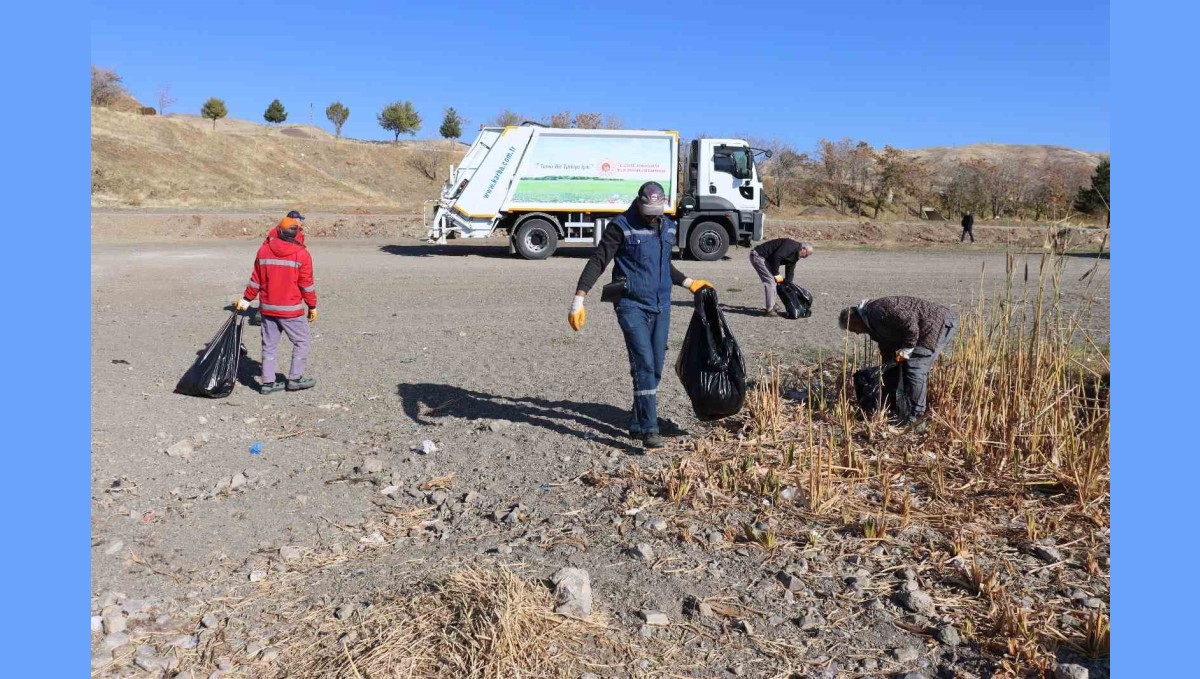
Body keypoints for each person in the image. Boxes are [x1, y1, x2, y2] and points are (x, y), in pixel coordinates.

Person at [568, 181, 713, 450]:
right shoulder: (621, 226)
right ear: (638, 202)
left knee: (655, 366)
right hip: (630, 304)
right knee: (644, 364)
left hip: (661, 305)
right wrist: (579, 299)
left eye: (656, 211)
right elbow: (598, 260)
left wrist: (689, 282)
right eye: (647, 211)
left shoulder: (667, 226)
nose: (651, 216)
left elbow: (662, 264)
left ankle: (637, 422)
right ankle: (649, 428)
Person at [838, 296, 957, 425]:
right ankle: (896, 408)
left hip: (937, 323)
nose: (857, 333)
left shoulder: (877, 310)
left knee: (914, 368)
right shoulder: (871, 324)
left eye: (854, 329)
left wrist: (907, 349)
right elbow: (886, 345)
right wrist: (889, 364)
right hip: (923, 328)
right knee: (896, 369)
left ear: (856, 320)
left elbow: (910, 326)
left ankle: (916, 417)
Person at [234, 212, 319, 393]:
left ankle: (267, 383)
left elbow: (255, 280)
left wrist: (246, 299)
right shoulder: (302, 255)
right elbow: (306, 285)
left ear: (278, 231)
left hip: (268, 309)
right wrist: (312, 306)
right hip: (291, 310)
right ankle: (295, 379)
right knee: (302, 341)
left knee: (269, 346)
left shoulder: (263, 251)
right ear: (297, 233)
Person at [749, 238, 813, 316]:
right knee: (770, 281)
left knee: (775, 281)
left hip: (766, 260)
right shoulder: (791, 246)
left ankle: (772, 303)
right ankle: (770, 309)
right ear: (803, 249)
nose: (805, 257)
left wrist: (788, 284)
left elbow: (790, 270)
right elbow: (777, 256)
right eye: (806, 254)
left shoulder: (796, 255)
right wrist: (776, 273)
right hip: (758, 256)